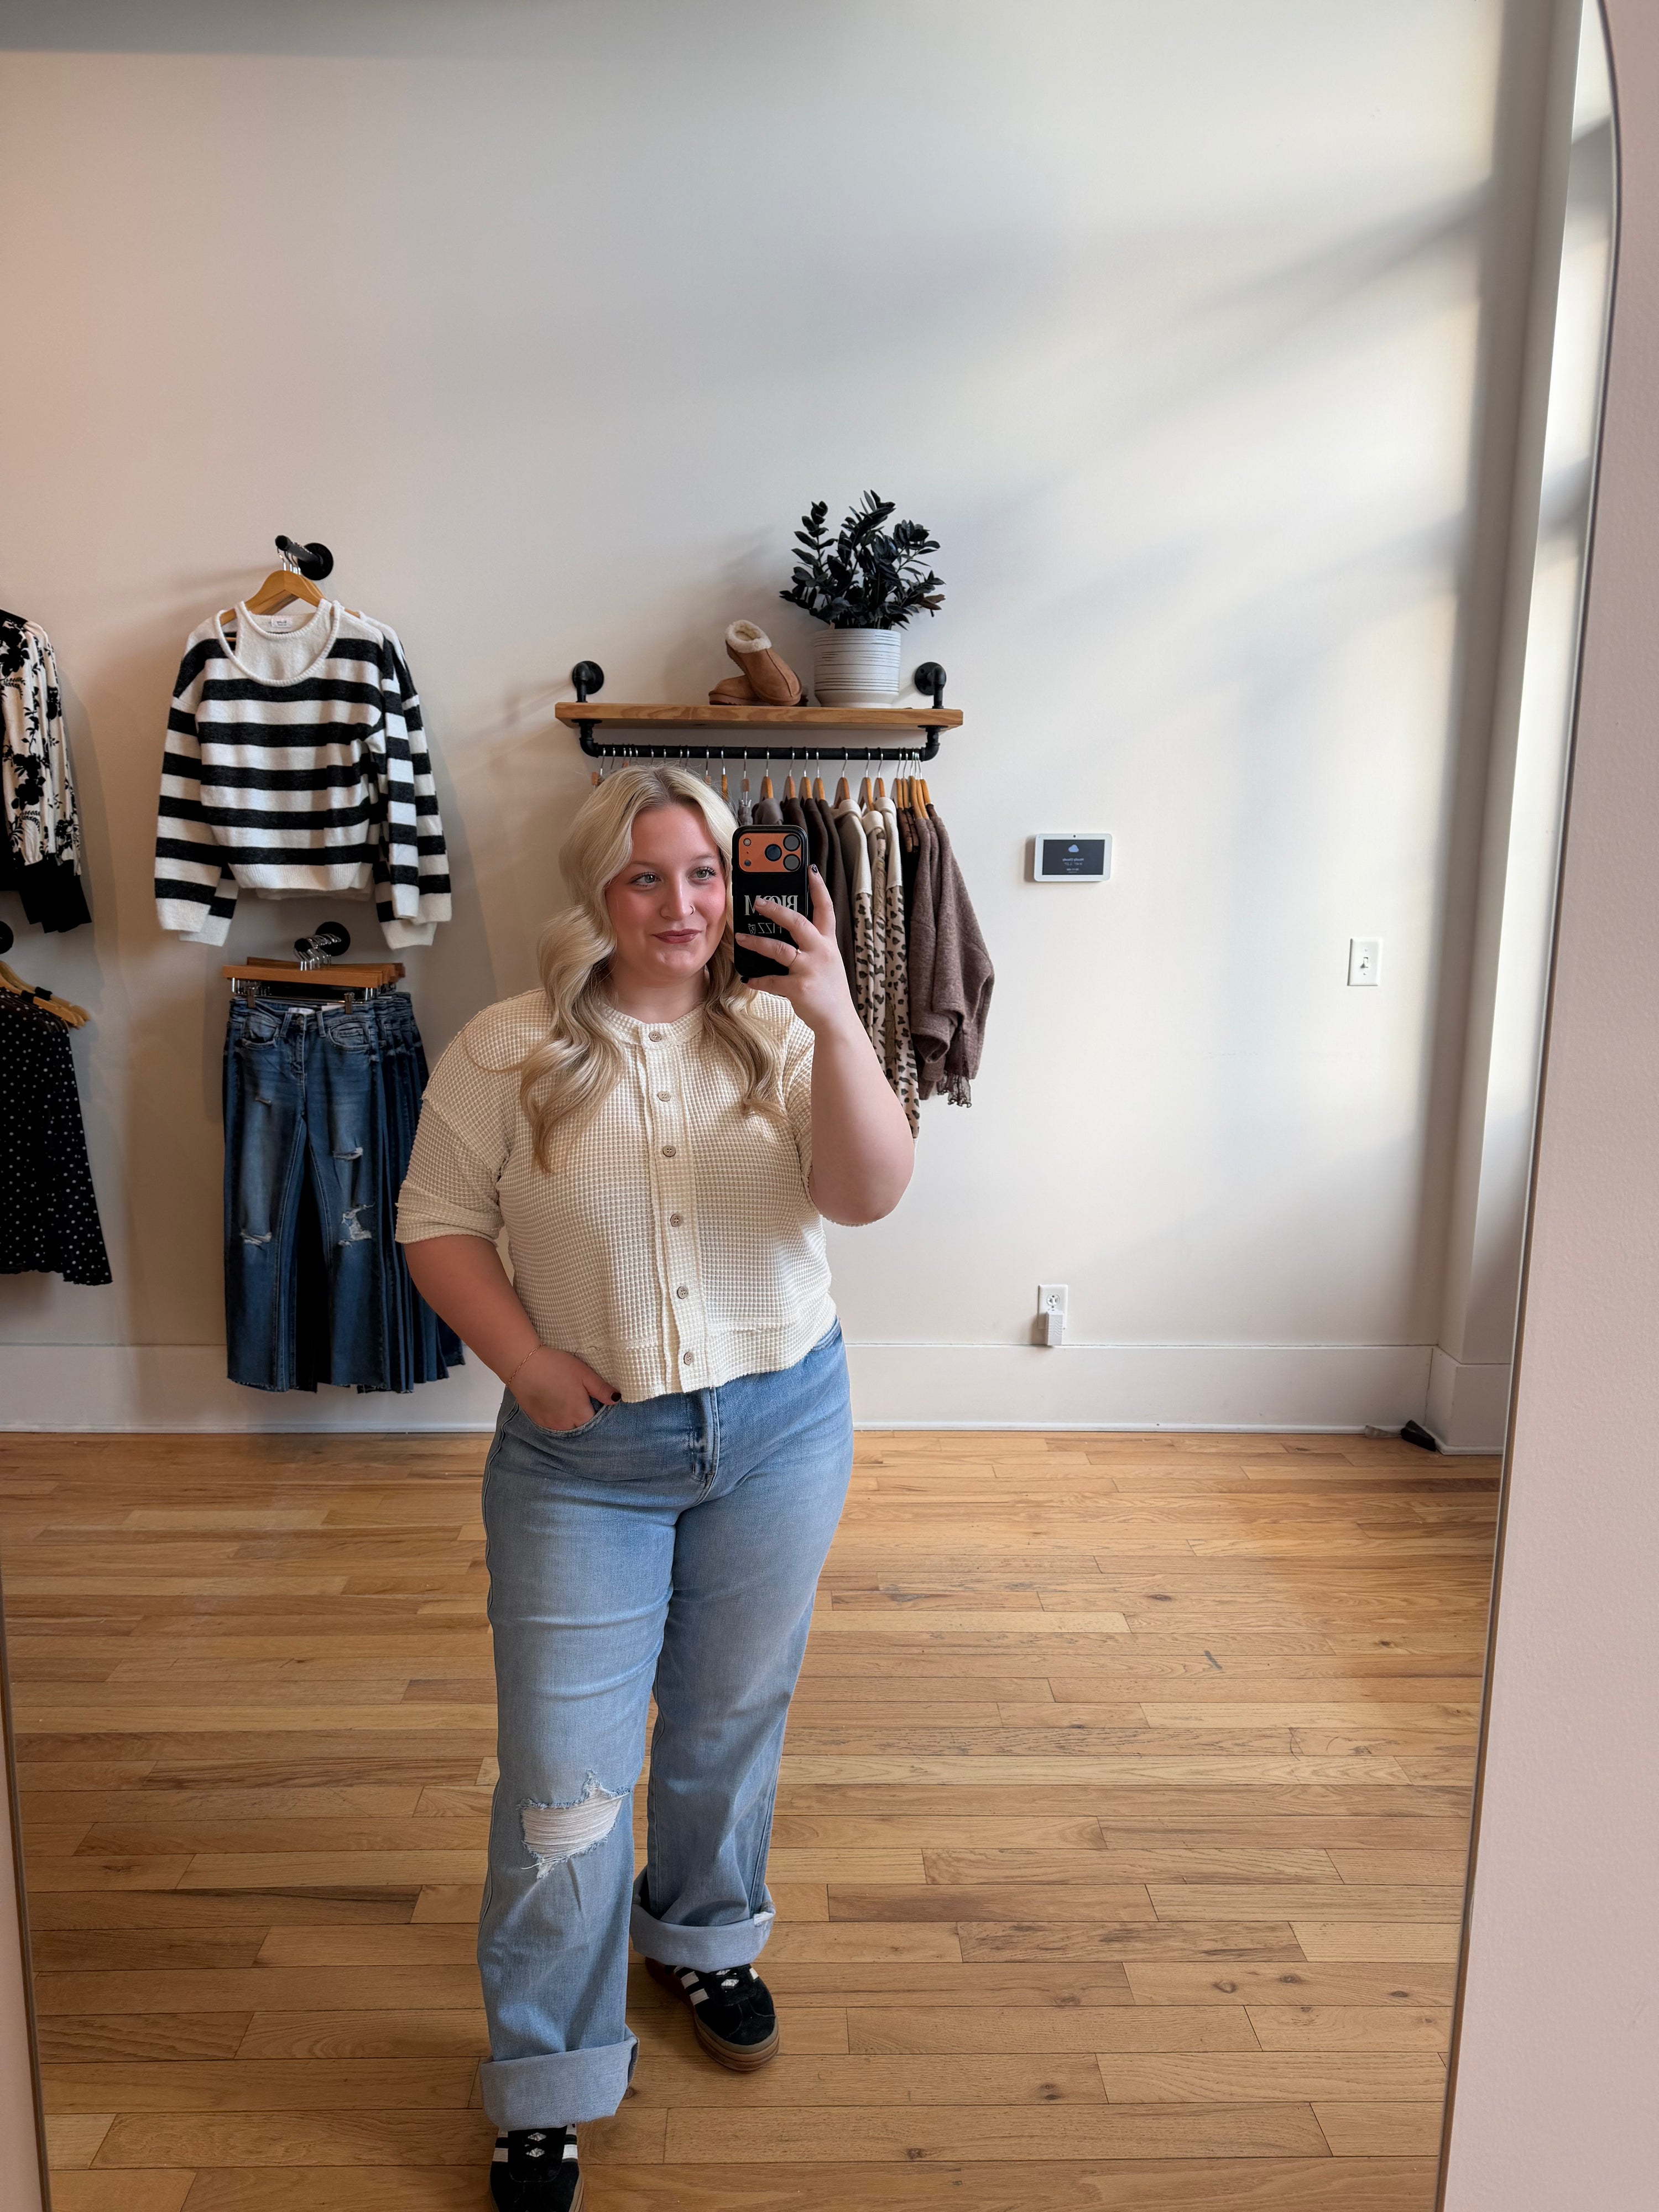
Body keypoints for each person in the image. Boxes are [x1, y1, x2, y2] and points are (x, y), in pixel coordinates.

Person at [397, 764, 913, 2211]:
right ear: (598, 892)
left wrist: (837, 1015)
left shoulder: (787, 1032)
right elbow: (437, 1226)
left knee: (730, 1715)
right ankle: (549, 2076)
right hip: (585, 1463)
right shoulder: (506, 1050)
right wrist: (527, 1365)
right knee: (564, 1779)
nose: (681, 905)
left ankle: (701, 1936)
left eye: (704, 874)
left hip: (782, 1426)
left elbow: (869, 1193)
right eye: (645, 877)